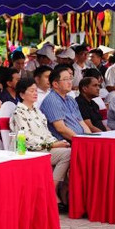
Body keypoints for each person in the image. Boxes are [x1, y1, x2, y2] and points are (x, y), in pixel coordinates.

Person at [10, 78, 71, 208]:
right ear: (22, 94)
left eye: (35, 90)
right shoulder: (18, 112)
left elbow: (47, 134)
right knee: (67, 154)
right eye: (31, 91)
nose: (35, 93)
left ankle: (61, 190)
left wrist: (57, 142)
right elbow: (27, 140)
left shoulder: (37, 111)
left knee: (69, 150)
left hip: (45, 148)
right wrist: (53, 145)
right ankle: (52, 191)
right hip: (30, 151)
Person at [40, 67, 91, 141]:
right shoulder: (52, 100)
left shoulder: (71, 100)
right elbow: (61, 129)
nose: (70, 82)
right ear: (55, 84)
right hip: (66, 143)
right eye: (66, 79)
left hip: (80, 140)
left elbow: (82, 123)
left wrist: (91, 139)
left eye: (70, 79)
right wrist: (81, 141)